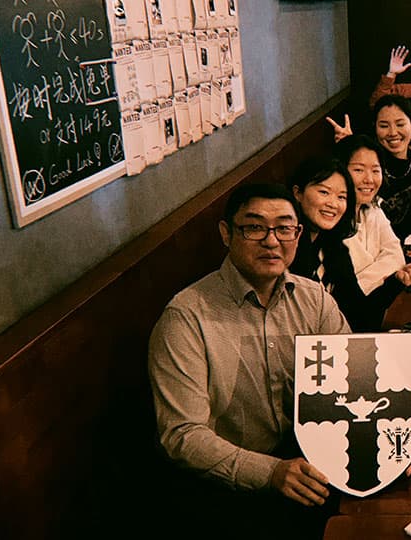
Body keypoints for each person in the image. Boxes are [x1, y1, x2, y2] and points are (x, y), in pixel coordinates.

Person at [148, 183, 351, 538]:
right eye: (254, 227)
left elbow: (353, 375)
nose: (272, 241)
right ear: (227, 233)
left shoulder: (313, 299)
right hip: (226, 489)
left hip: (311, 460)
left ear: (298, 233)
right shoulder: (187, 317)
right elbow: (183, 435)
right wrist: (269, 472)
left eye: (285, 227)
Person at [289, 157, 411, 331]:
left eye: (341, 197)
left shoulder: (334, 248)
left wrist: (397, 281)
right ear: (298, 193)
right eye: (324, 192)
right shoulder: (287, 251)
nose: (333, 204)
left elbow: (359, 314)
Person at [330, 94, 411, 238]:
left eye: (400, 124)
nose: (392, 133)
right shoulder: (367, 166)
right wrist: (349, 149)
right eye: (384, 126)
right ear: (375, 127)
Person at [334, 135, 406, 296]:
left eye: (375, 170)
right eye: (358, 170)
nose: (369, 179)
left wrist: (364, 279)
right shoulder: (332, 221)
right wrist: (384, 270)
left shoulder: (372, 208)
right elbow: (346, 293)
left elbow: (396, 257)